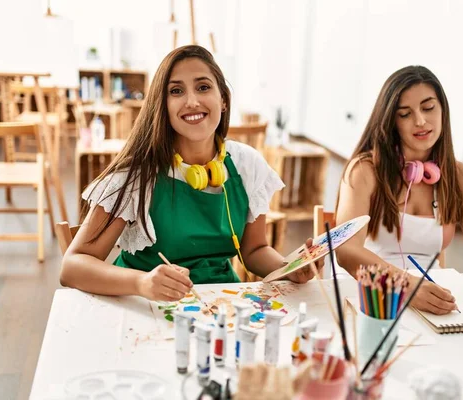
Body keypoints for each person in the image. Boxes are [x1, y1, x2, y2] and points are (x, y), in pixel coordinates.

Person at [60, 45, 314, 302]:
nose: (192, 101)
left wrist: (288, 268)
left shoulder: (247, 164)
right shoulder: (135, 176)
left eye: (203, 87)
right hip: (146, 305)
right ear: (163, 105)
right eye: (176, 91)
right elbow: (72, 267)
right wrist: (141, 282)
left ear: (223, 100)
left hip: (220, 303)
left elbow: (255, 250)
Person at [335, 65, 463, 316]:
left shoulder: (460, 178)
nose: (420, 121)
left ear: (442, 110)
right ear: (391, 121)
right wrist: (405, 285)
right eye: (405, 114)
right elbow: (346, 250)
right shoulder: (365, 170)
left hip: (433, 299)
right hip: (376, 297)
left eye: (428, 108)